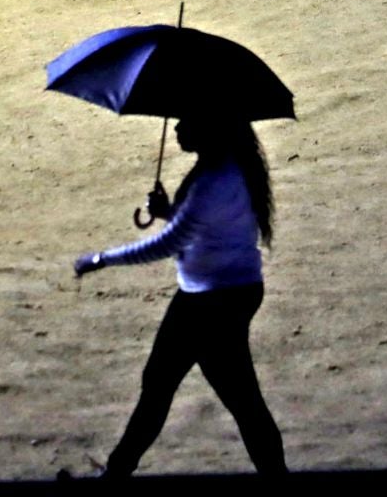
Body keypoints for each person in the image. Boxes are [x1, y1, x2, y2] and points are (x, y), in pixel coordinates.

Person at [73, 116, 287, 479]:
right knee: (188, 388)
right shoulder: (230, 167)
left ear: (210, 129)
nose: (177, 128)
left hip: (210, 302)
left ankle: (115, 474)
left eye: (187, 121)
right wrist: (168, 213)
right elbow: (207, 228)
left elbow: (169, 244)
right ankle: (116, 472)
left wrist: (101, 259)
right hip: (226, 292)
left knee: (197, 391)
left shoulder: (210, 182)